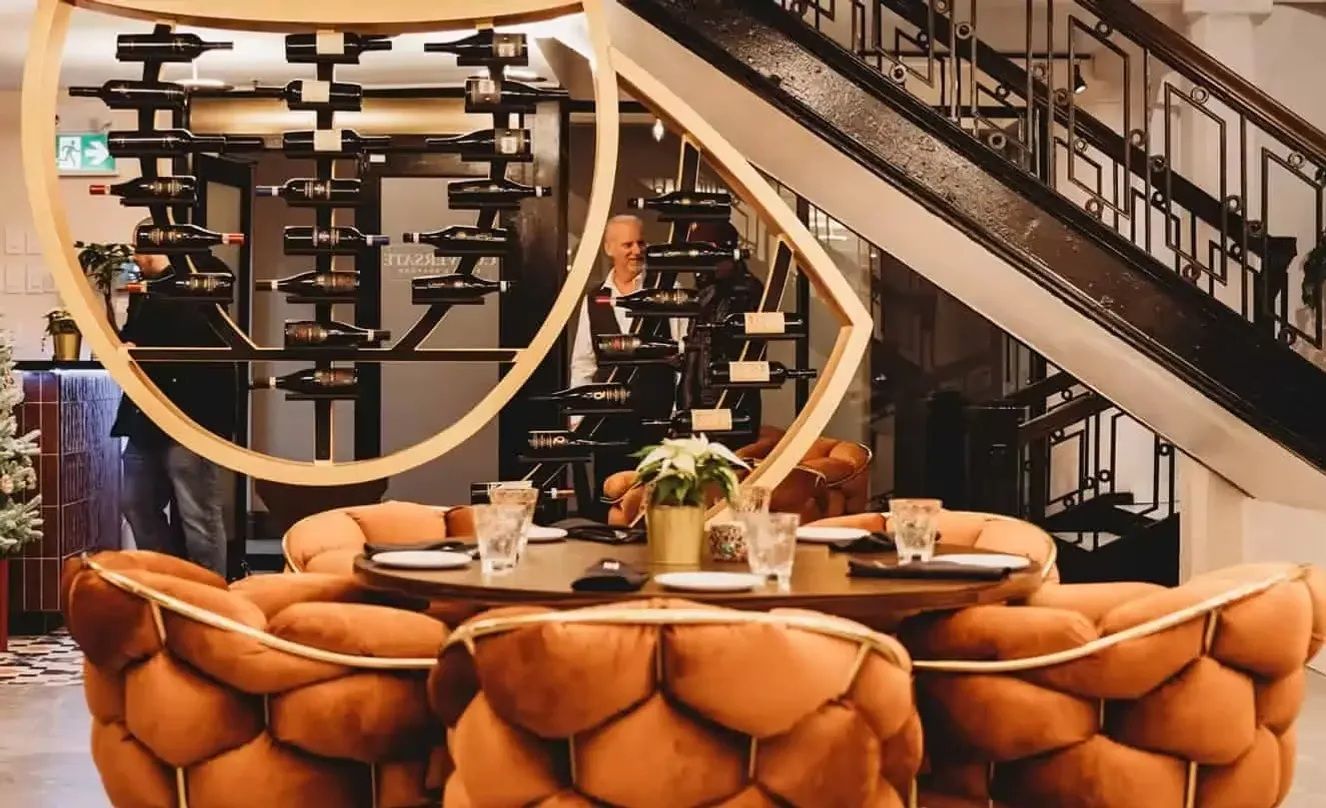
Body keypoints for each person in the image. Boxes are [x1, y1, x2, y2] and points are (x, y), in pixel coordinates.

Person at [113, 236, 236, 578]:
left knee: (197, 512)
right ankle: (170, 581)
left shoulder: (206, 271)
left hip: (192, 414)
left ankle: (209, 592)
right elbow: (133, 335)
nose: (135, 257)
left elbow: (195, 328)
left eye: (139, 248)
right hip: (146, 414)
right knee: (135, 502)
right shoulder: (145, 289)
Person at [567, 214, 686, 477]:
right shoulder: (594, 298)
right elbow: (584, 362)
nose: (636, 251)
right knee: (610, 501)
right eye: (628, 245)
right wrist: (578, 419)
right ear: (609, 249)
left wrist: (678, 415)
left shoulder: (667, 291)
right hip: (610, 424)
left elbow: (684, 357)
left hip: (657, 422)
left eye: (640, 243)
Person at [679, 219, 765, 434]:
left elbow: (735, 349)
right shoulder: (706, 289)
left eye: (703, 252)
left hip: (727, 403)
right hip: (699, 400)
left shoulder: (744, 290)